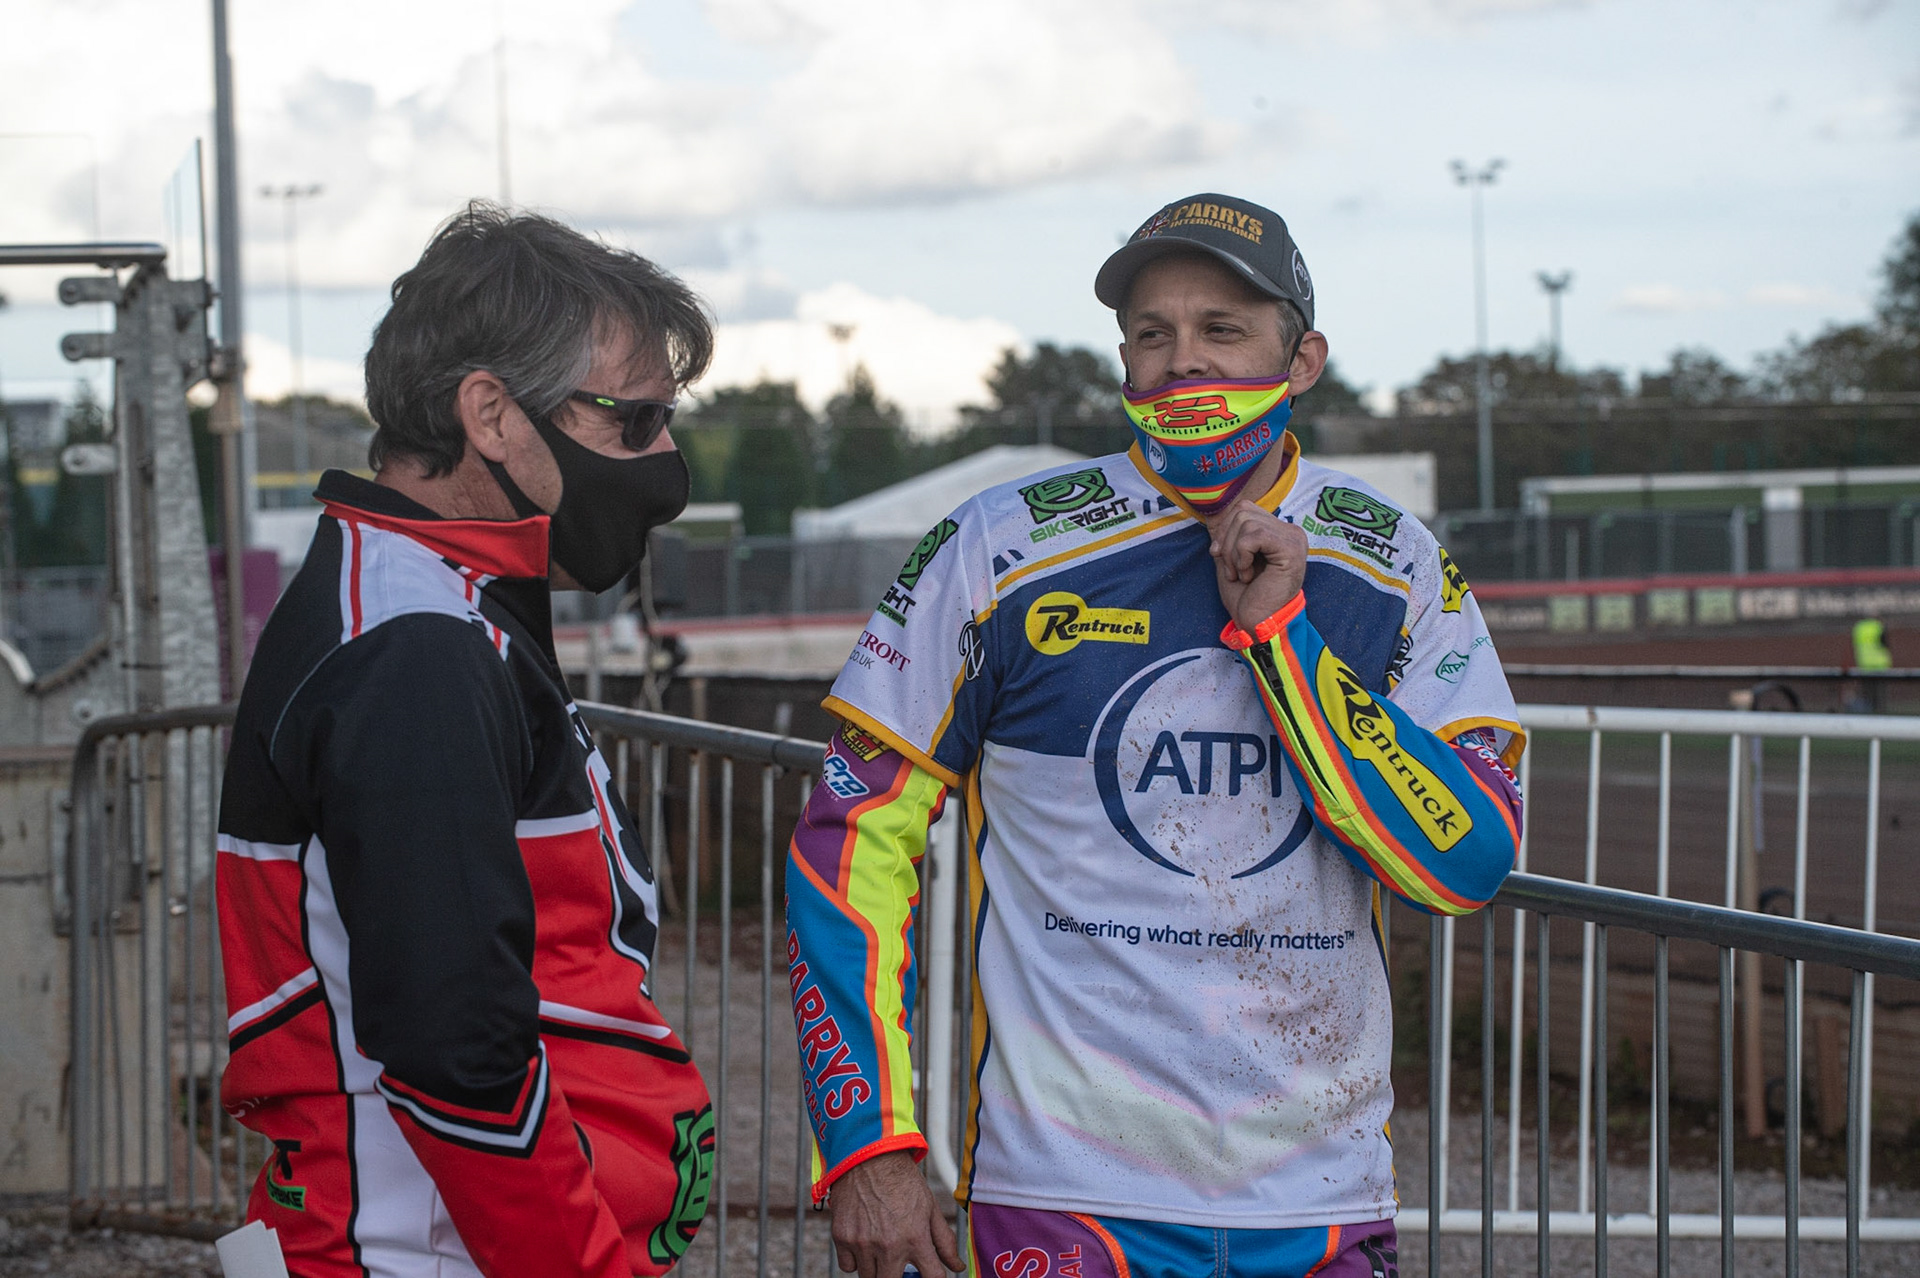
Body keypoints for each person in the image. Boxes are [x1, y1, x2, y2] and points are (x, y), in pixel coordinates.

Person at [785, 193, 1526, 1278]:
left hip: (1320, 1199)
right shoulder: (997, 546)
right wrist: (868, 1146)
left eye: (1222, 330)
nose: (1183, 361)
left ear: (1302, 357)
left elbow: (1465, 860)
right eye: (1151, 333)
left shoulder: (1393, 561)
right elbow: (850, 848)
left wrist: (1284, 637)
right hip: (1070, 1199)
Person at [216, 204, 714, 1278]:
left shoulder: (432, 598)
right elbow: (454, 1050)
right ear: (491, 413)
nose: (665, 461)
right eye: (633, 421)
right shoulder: (415, 644)